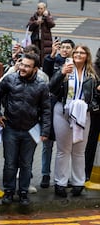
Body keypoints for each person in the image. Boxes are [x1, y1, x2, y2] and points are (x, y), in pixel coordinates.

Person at [0, 53, 51, 206]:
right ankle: (9, 191)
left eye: (27, 66)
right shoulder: (9, 79)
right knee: (10, 163)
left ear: (35, 69)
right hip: (10, 128)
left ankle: (23, 192)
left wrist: (45, 131)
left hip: (31, 130)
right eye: (22, 64)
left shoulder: (41, 86)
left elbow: (46, 109)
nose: (23, 68)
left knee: (26, 163)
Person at [50, 44, 97, 197]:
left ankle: (78, 183)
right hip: (63, 111)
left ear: (86, 56)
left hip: (83, 113)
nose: (77, 54)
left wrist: (93, 104)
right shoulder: (64, 68)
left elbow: (95, 96)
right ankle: (60, 183)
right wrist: (61, 74)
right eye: (76, 52)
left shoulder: (92, 74)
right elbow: (51, 87)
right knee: (63, 150)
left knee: (79, 151)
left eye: (81, 52)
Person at [40, 38, 75, 188]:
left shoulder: (75, 64)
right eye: (63, 47)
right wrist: (52, 54)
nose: (65, 49)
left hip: (68, 108)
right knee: (47, 144)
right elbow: (46, 72)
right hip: (51, 107)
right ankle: (45, 174)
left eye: (68, 47)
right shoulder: (54, 61)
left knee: (65, 147)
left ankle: (63, 176)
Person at [85, 47, 100, 181]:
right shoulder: (94, 69)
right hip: (96, 114)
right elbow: (90, 91)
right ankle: (86, 173)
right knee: (91, 143)